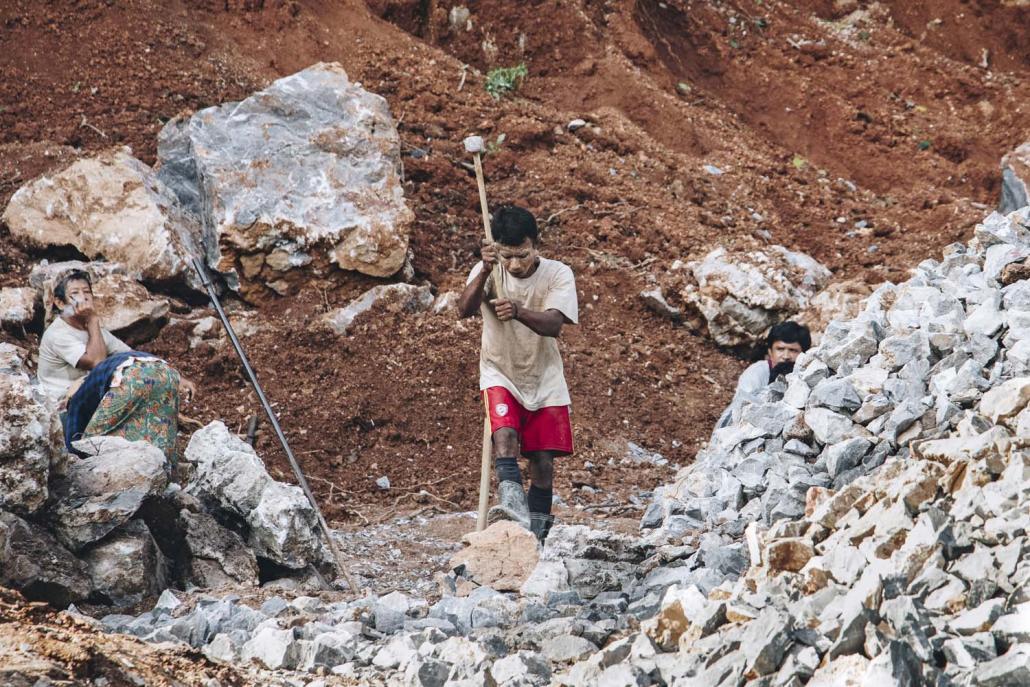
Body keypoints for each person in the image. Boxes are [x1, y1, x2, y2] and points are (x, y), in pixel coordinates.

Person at [457, 205, 578, 543]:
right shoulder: (490, 271)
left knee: (542, 462)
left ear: (536, 244)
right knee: (505, 437)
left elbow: (555, 324)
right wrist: (484, 269)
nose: (514, 264)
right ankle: (512, 511)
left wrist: (519, 311)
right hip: (499, 370)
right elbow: (464, 309)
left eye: (522, 255)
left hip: (544, 376)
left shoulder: (558, 274)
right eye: (507, 256)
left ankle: (535, 537)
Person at [37, 269, 195, 462]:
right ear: (60, 303)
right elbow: (98, 363)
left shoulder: (92, 331)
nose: (84, 299)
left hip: (85, 395)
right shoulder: (58, 334)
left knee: (138, 371)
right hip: (63, 408)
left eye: (87, 293)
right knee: (114, 370)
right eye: (75, 294)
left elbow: (129, 356)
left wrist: (174, 375)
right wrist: (93, 320)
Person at [713, 321, 811, 431]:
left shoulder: (810, 374)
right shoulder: (755, 374)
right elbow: (742, 411)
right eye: (780, 349)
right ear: (770, 352)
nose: (786, 356)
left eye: (793, 350)